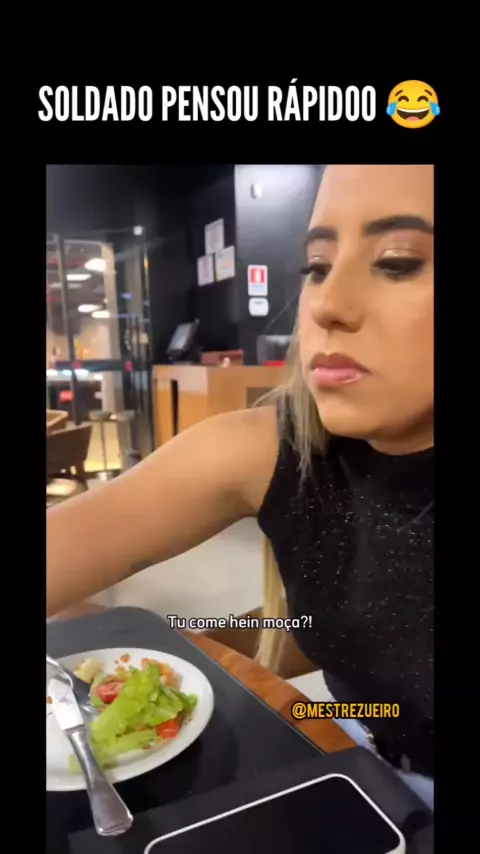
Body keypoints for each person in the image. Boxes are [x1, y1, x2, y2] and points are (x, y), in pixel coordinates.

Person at [47, 165, 434, 809]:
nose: (326, 305)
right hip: (362, 750)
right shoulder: (282, 447)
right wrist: (178, 648)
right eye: (317, 266)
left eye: (398, 262)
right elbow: (348, 626)